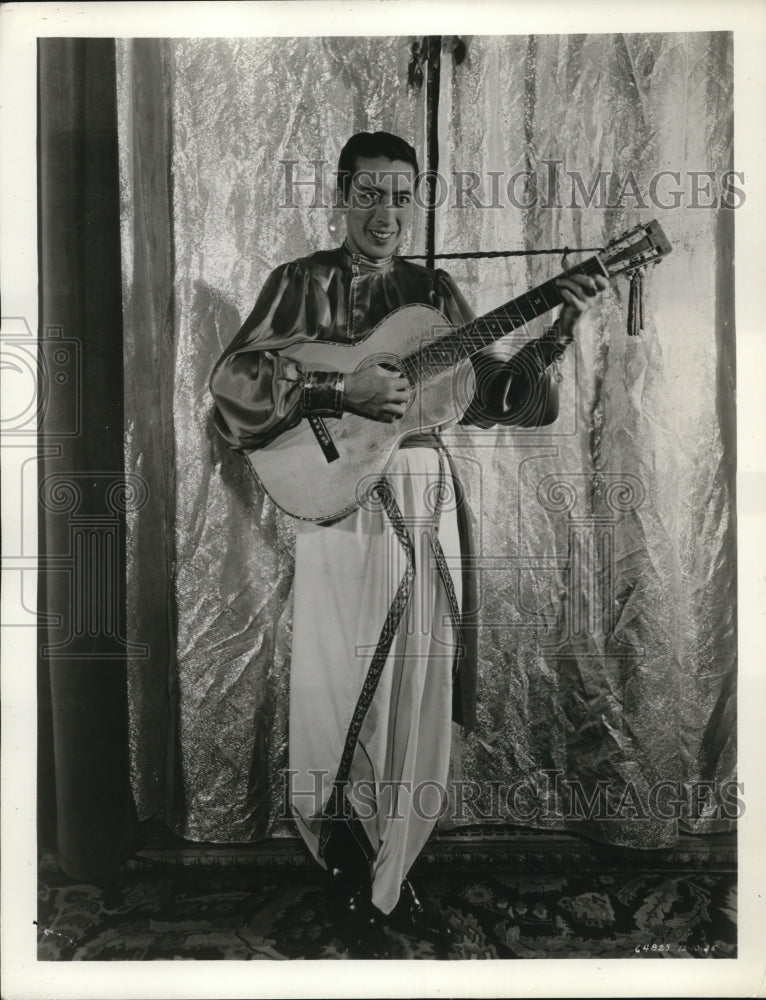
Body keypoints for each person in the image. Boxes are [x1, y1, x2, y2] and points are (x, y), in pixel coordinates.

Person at [210, 131, 607, 957]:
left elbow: (491, 396)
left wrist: (561, 323)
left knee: (417, 680)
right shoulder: (301, 282)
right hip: (342, 508)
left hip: (425, 499)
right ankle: (344, 858)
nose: (387, 213)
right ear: (342, 196)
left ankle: (393, 862)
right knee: (339, 678)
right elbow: (234, 387)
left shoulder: (434, 290)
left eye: (402, 197)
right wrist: (335, 383)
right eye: (371, 194)